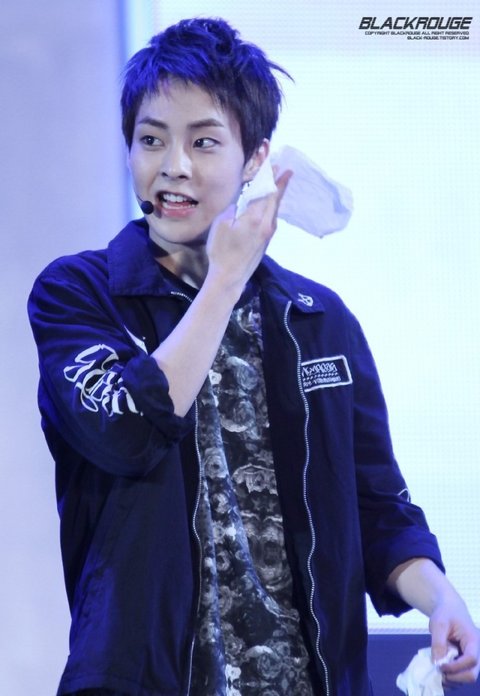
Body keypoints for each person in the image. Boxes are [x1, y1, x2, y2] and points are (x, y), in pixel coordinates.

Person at [28, 17, 479, 696]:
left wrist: (443, 599)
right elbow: (124, 431)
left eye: (203, 142)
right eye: (151, 139)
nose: (173, 166)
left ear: (254, 159)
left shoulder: (318, 319)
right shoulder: (79, 293)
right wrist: (224, 281)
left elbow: (377, 507)